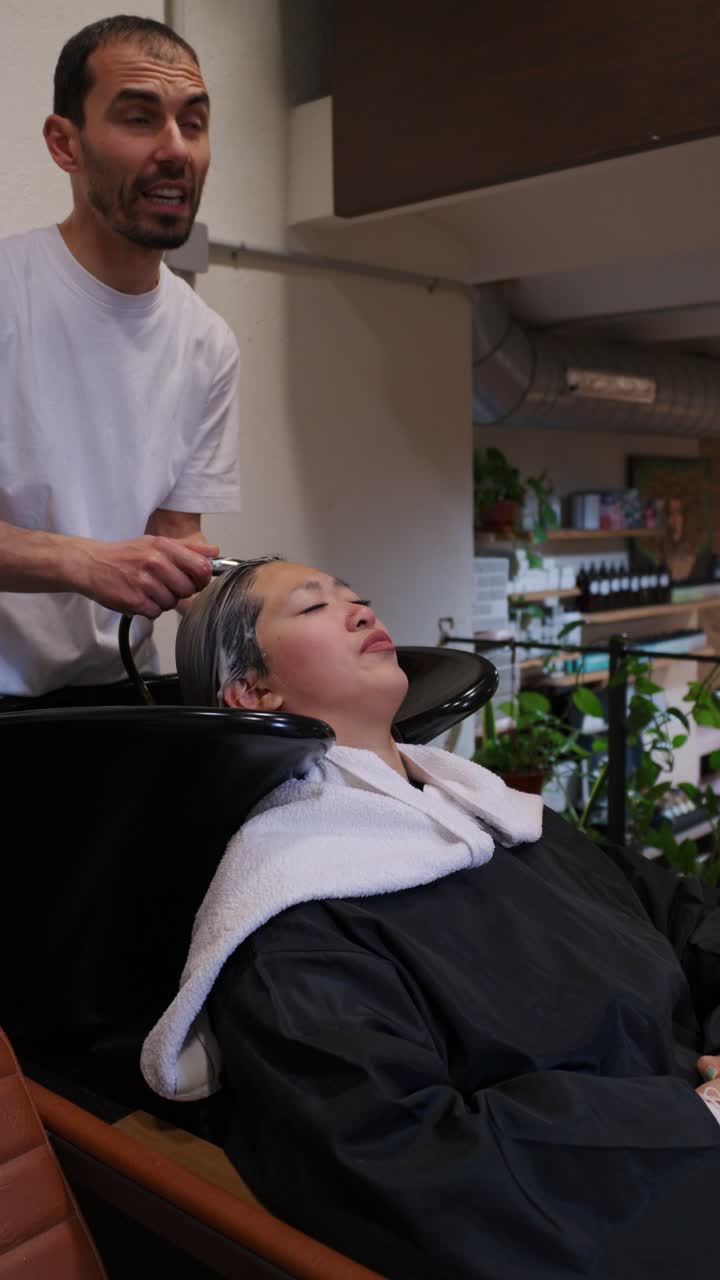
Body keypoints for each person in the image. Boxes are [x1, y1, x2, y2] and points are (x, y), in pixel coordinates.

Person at [142, 557, 720, 1280]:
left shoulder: (495, 819)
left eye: (359, 596)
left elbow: (691, 922)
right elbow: (409, 1158)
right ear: (254, 690)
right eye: (314, 607)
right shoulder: (296, 920)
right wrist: (695, 1120)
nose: (359, 611)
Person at [0, 15, 241, 702]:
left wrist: (274, 608)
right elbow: (109, 562)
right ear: (64, 143)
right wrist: (85, 561)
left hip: (116, 696)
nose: (175, 150)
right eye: (140, 119)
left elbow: (175, 538)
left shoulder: (207, 342)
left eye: (192, 125)